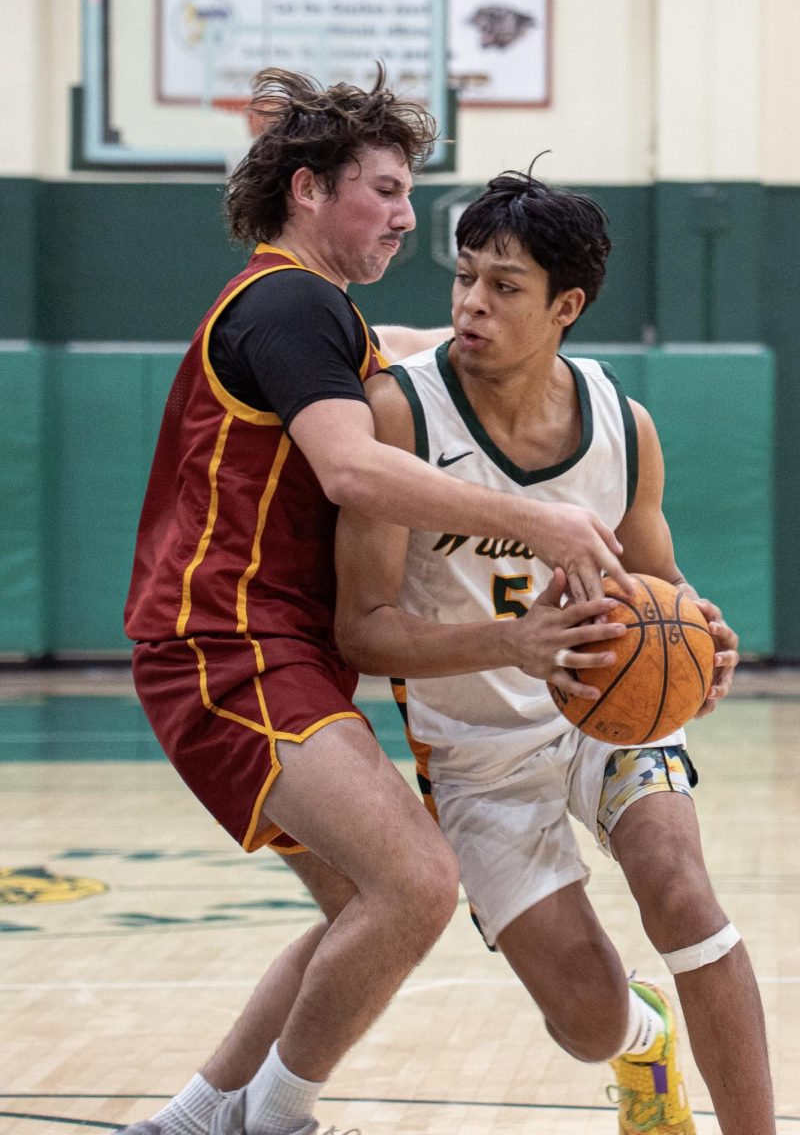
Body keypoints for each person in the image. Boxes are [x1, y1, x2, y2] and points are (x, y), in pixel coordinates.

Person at [120, 70, 633, 1135]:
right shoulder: (288, 300)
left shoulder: (314, 314)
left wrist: (545, 374)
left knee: (369, 903)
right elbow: (351, 470)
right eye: (386, 190)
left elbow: (426, 354)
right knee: (414, 880)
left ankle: (194, 1120)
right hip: (228, 644)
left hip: (264, 649)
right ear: (308, 191)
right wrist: (536, 519)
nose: (406, 215)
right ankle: (274, 1120)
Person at [334, 170, 775, 1134]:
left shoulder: (624, 425)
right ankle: (639, 1042)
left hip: (607, 722)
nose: (470, 305)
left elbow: (659, 590)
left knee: (683, 895)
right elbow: (359, 630)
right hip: (476, 754)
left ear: (566, 305)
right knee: (586, 1019)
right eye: (463, 279)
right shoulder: (402, 414)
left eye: (504, 286)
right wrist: (513, 643)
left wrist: (701, 638)